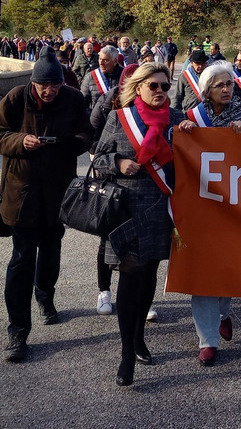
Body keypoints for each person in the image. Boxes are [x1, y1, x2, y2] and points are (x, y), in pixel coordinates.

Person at [0, 48, 92, 363]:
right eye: (44, 86)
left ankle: (45, 296)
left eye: (55, 86)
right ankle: (17, 330)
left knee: (51, 251)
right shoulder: (17, 98)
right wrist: (21, 141)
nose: (49, 91)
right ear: (34, 83)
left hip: (58, 192)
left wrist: (68, 142)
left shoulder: (72, 99)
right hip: (22, 193)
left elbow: (86, 133)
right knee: (21, 261)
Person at [91, 62, 189, 387]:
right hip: (127, 210)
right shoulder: (119, 119)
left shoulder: (176, 121)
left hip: (160, 210)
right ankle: (125, 355)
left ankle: (139, 337)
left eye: (164, 86)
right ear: (139, 88)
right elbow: (97, 161)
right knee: (130, 278)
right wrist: (118, 162)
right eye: (154, 86)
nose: (160, 91)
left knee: (148, 276)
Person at [177, 62, 241, 365]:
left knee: (227, 269)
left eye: (230, 84)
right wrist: (183, 132)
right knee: (202, 272)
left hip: (236, 205)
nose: (226, 89)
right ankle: (207, 340)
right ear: (206, 89)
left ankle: (223, 313)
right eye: (220, 85)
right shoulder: (191, 118)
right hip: (200, 207)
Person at [81, 45, 123, 111]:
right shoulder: (91, 76)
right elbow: (82, 103)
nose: (101, 63)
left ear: (115, 61)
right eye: (100, 59)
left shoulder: (124, 76)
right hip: (96, 118)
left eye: (105, 60)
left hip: (118, 118)